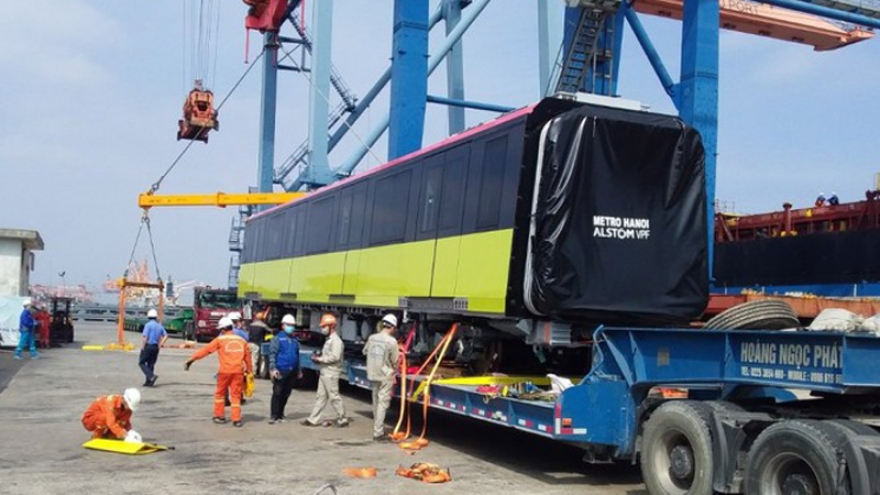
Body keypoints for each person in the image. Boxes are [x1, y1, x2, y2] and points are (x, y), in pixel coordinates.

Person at [185, 317, 253, 427]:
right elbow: (248, 358)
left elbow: (205, 351)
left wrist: (192, 359)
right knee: (236, 396)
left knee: (220, 394)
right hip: (238, 372)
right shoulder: (242, 341)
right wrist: (249, 371)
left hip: (224, 372)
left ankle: (219, 416)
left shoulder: (220, 340)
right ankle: (236, 420)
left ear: (223, 329)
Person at [302, 313, 350, 428]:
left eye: (324, 326)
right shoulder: (329, 340)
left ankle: (342, 418)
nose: (322, 329)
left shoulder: (336, 341)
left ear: (331, 326)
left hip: (331, 373)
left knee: (334, 396)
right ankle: (313, 419)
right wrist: (319, 358)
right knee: (321, 397)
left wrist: (320, 359)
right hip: (325, 371)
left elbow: (335, 357)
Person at [364, 313, 400, 441]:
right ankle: (378, 432)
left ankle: (377, 427)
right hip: (385, 375)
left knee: (375, 401)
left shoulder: (372, 337)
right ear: (393, 327)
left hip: (373, 374)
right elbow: (395, 361)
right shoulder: (392, 341)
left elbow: (365, 351)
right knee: (382, 404)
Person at [268, 314, 301, 424]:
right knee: (277, 393)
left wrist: (299, 370)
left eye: (292, 325)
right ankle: (274, 415)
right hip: (280, 370)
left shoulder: (295, 340)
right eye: (289, 325)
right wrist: (273, 368)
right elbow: (272, 354)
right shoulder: (277, 339)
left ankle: (281, 414)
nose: (291, 327)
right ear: (283, 326)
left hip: (292, 371)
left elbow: (297, 355)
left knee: (286, 393)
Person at [139, 309, 168, 387]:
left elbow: (145, 337)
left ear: (148, 317)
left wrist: (142, 347)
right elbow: (166, 335)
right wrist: (161, 344)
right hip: (156, 347)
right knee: (151, 364)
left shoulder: (148, 325)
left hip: (148, 346)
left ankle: (151, 376)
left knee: (141, 363)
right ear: (156, 317)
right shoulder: (159, 326)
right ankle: (149, 382)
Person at [247, 311, 271, 377]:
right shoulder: (263, 325)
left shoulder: (252, 324)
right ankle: (253, 373)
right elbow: (270, 331)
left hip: (249, 343)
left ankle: (247, 371)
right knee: (254, 359)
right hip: (256, 344)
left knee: (248, 358)